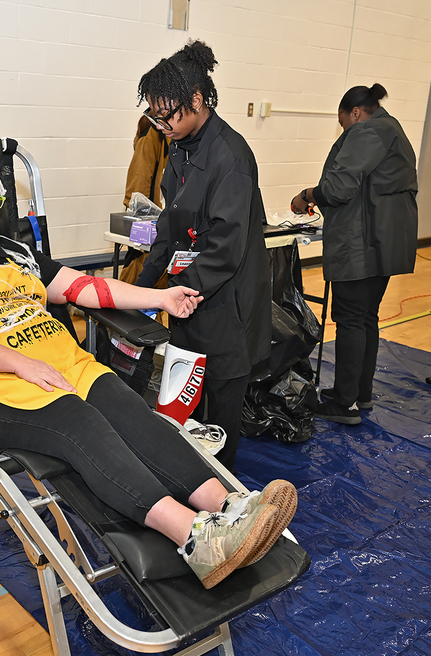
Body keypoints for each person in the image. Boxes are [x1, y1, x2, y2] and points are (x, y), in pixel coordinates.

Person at [0, 156, 298, 589]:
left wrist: (159, 298)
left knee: (128, 409)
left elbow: (86, 288)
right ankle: (196, 538)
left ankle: (228, 506)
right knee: (78, 422)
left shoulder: (16, 253)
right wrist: (22, 363)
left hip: (61, 368)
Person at [134, 40, 271, 473]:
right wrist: (139, 291)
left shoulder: (230, 156)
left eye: (166, 114)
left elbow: (225, 247)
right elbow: (169, 226)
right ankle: (187, 478)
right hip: (188, 298)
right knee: (182, 406)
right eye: (153, 115)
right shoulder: (180, 146)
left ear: (196, 100)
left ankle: (222, 497)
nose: (159, 124)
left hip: (225, 302)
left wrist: (176, 292)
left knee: (221, 416)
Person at [292, 83, 417, 426]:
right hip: (381, 242)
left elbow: (338, 187)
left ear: (356, 113)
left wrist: (307, 194)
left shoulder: (368, 132)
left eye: (343, 122)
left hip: (362, 244)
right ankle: (358, 393)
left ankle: (344, 404)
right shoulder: (393, 129)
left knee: (350, 319)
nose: (345, 128)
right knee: (365, 318)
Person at [118, 115, 168, 286]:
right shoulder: (152, 136)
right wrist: (142, 224)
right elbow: (138, 186)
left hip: (161, 224)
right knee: (138, 282)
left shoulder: (170, 138)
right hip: (149, 225)